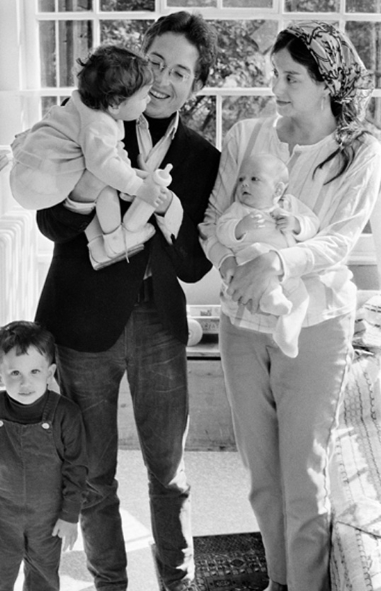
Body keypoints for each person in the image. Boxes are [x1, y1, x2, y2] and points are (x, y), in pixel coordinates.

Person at [29, 11, 219, 591]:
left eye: (180, 73)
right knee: (92, 476)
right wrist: (88, 193)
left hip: (159, 325)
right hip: (82, 322)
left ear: (197, 87)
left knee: (169, 475)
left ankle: (176, 581)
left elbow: (194, 263)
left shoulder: (201, 157)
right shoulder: (87, 115)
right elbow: (49, 222)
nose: (162, 80)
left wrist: (164, 215)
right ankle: (110, 583)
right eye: (156, 62)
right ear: (140, 59)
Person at [200, 20, 381, 591]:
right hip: (239, 324)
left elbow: (338, 241)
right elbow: (211, 223)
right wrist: (235, 270)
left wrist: (275, 263)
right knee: (259, 475)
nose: (276, 87)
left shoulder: (360, 153)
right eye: (273, 74)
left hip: (318, 325)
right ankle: (279, 582)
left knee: (303, 478)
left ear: (325, 83)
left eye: (290, 77)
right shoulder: (247, 135)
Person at [10, 44, 169, 268]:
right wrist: (140, 188)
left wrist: (137, 176)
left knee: (105, 174)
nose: (149, 100)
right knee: (105, 179)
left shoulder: (92, 106)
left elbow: (115, 155)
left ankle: (98, 246)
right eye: (143, 97)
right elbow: (106, 164)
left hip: (31, 170)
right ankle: (115, 240)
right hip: (39, 179)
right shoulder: (98, 124)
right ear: (115, 103)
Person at [0, 321, 88, 591]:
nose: (25, 382)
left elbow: (77, 469)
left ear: (50, 372)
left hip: (48, 518)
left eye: (35, 371)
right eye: (14, 372)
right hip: (0, 514)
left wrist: (70, 515)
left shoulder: (66, 414)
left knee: (43, 578)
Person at [216, 151, 319, 357]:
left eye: (255, 179)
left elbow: (313, 223)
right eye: (242, 179)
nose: (245, 184)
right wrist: (240, 227)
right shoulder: (239, 210)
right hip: (251, 265)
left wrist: (295, 223)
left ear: (278, 189)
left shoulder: (288, 205)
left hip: (284, 270)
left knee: (301, 297)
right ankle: (271, 297)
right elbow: (221, 231)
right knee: (258, 251)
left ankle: (287, 333)